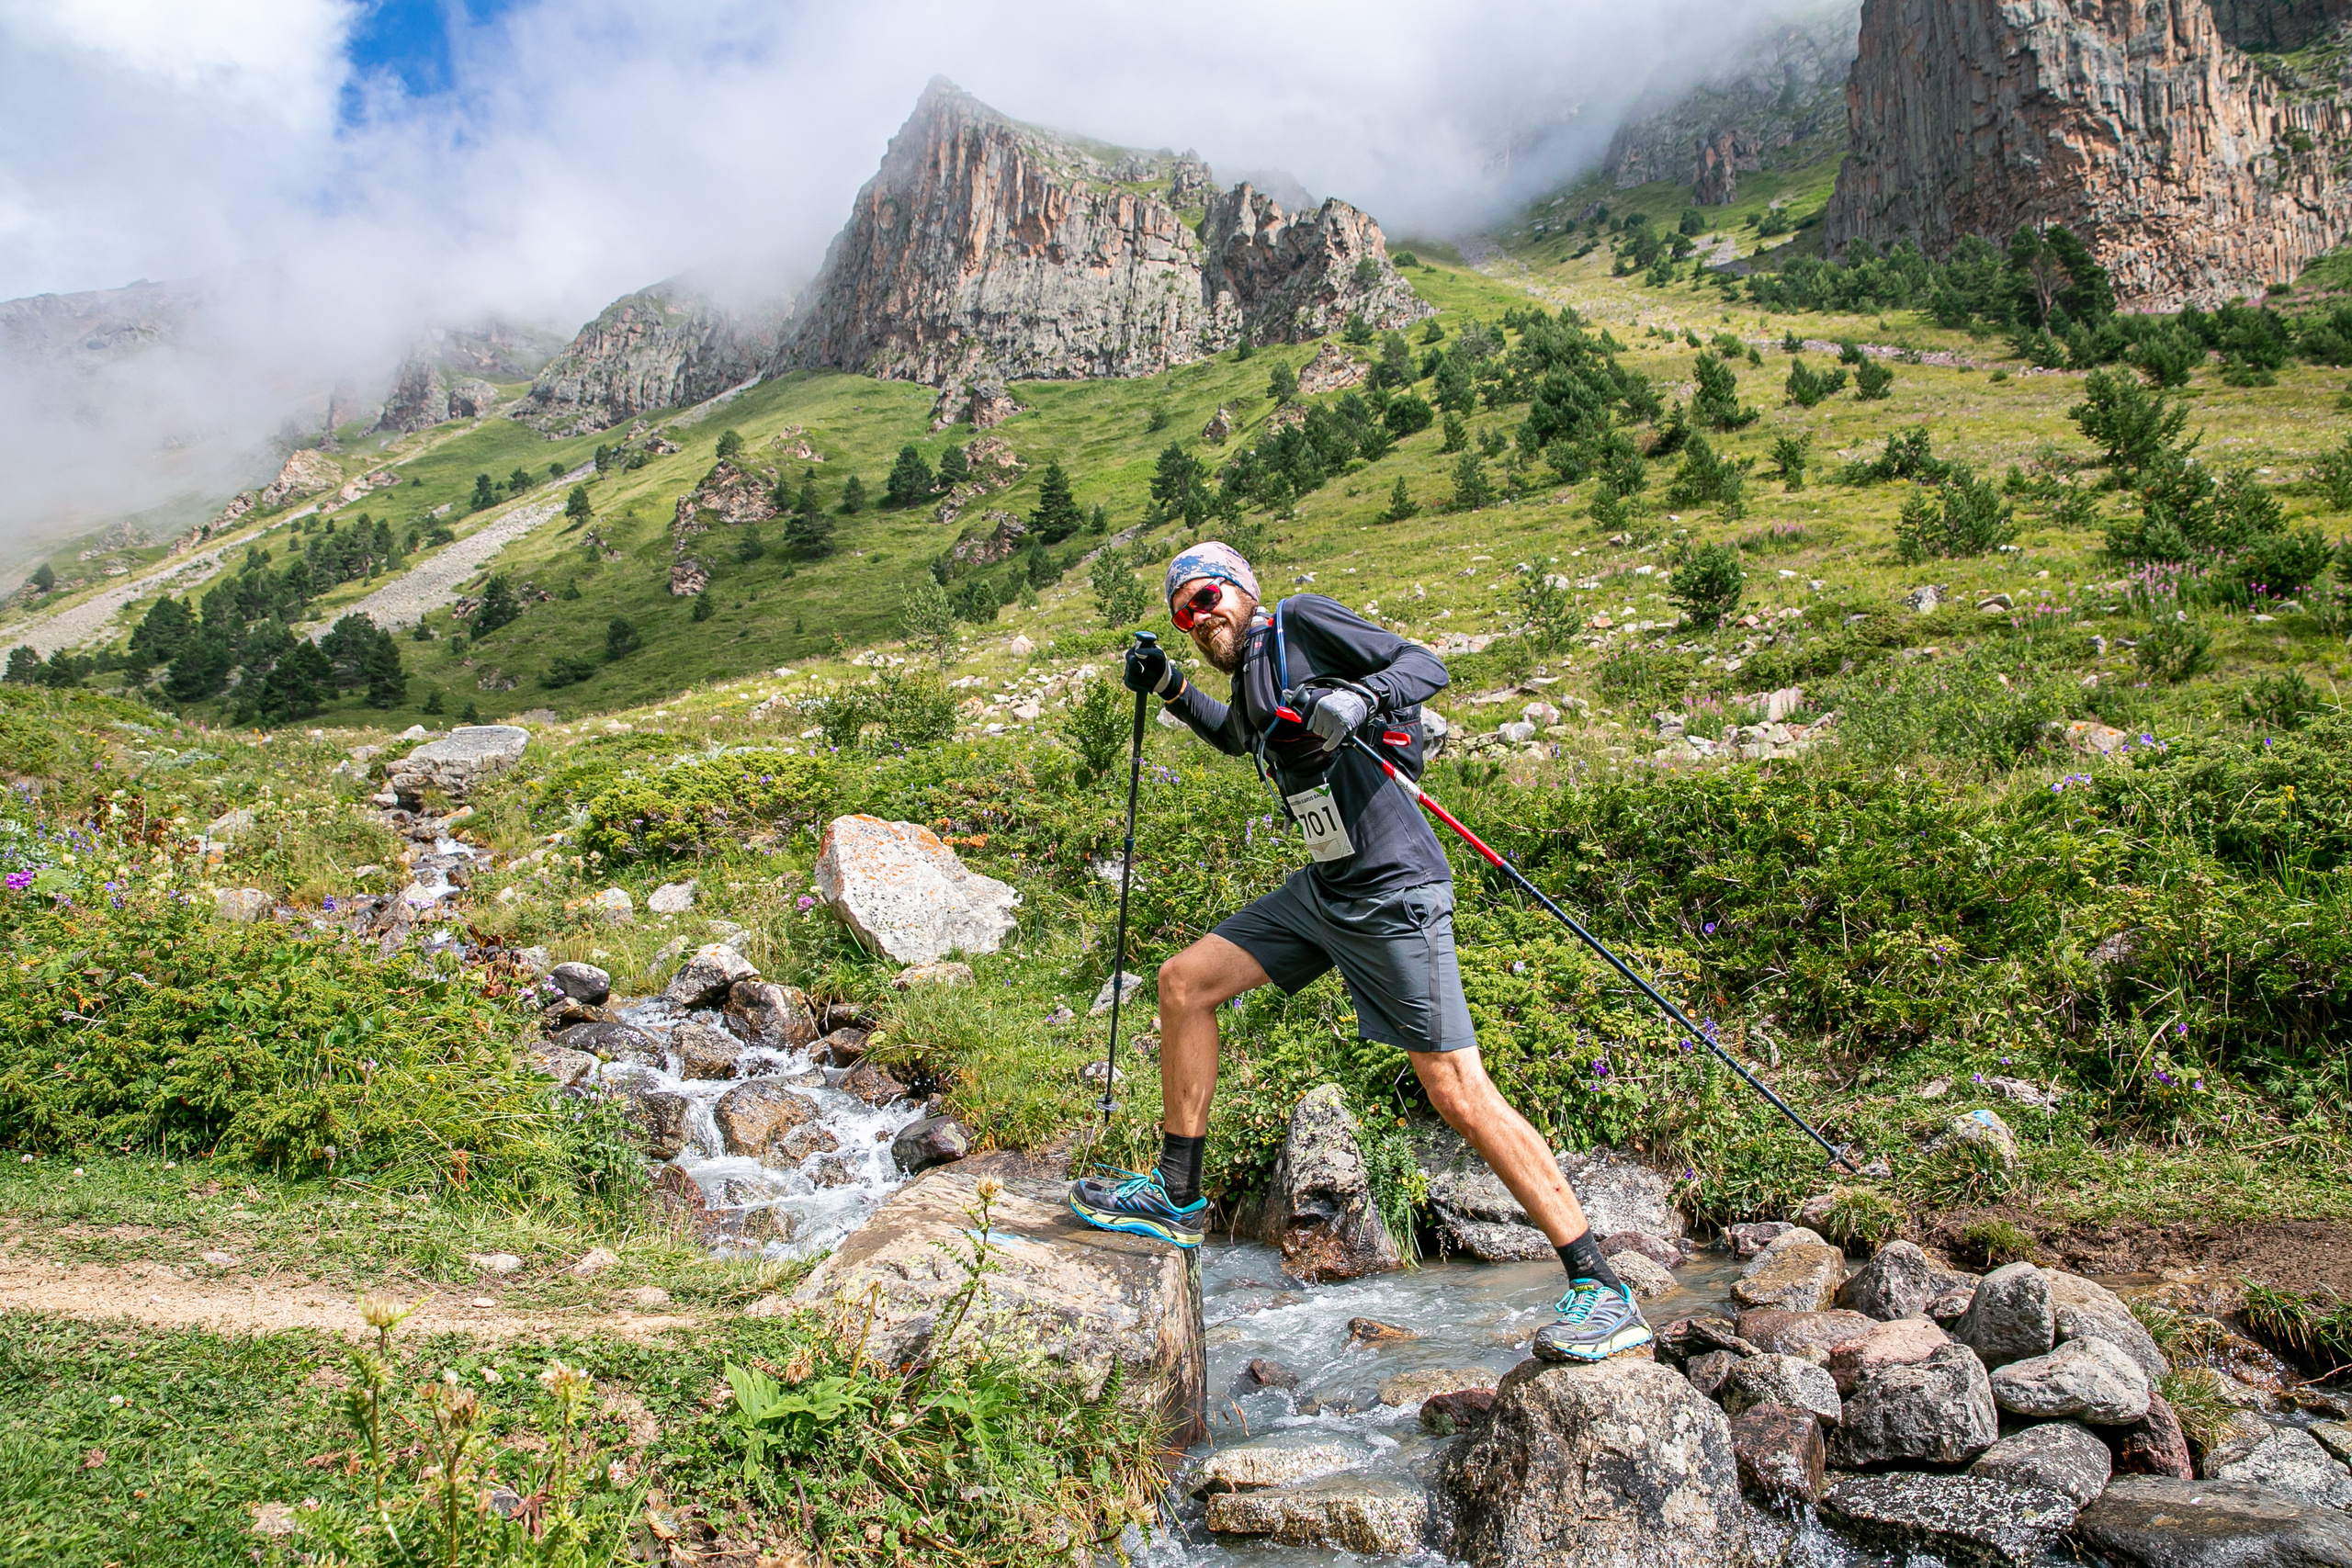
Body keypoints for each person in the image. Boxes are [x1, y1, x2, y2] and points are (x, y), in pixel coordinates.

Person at [1067, 541, 1650, 1363]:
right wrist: (1168, 686)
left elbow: (1425, 664)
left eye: (1205, 600)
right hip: (1328, 888)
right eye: (1182, 616)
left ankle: (1601, 1286)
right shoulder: (1250, 675)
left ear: (1240, 591)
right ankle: (1176, 1195)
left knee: (1454, 1087)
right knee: (1184, 983)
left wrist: (1358, 695)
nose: (1198, 622)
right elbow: (1241, 737)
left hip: (1393, 884)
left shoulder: (1298, 622)